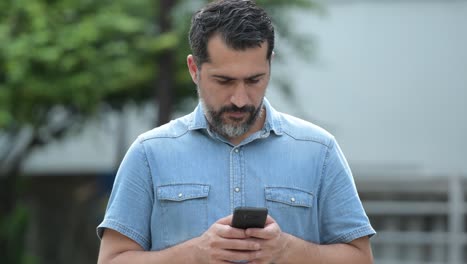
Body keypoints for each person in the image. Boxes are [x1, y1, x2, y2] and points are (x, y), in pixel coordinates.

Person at [97, 0, 376, 263]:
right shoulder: (149, 153)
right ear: (194, 69)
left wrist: (288, 250)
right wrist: (195, 253)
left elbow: (361, 258)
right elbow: (111, 259)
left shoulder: (319, 150)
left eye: (254, 80)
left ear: (270, 66)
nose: (240, 99)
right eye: (224, 81)